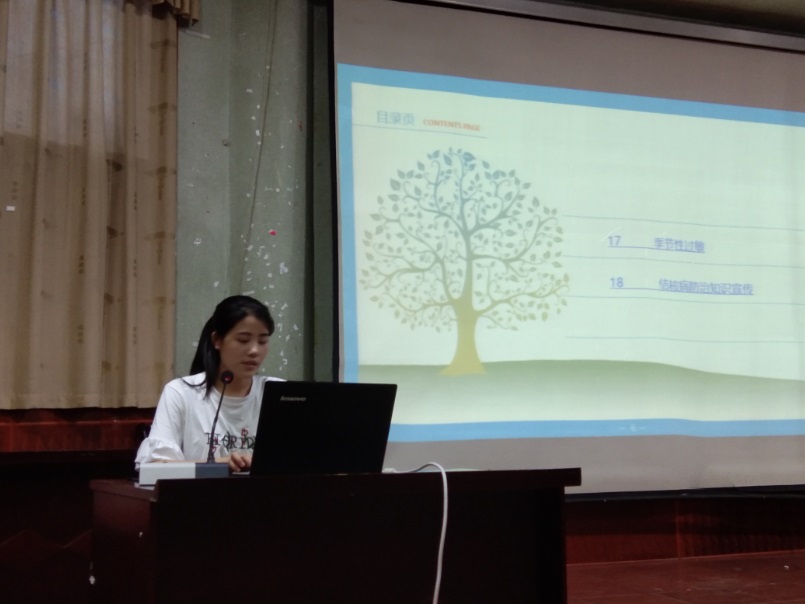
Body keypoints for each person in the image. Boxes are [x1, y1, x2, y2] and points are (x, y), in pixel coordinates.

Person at [135, 295, 282, 472]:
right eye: (243, 340)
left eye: (263, 341)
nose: (254, 350)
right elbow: (152, 468)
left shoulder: (279, 393)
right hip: (202, 490)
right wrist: (216, 466)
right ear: (217, 340)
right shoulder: (181, 392)